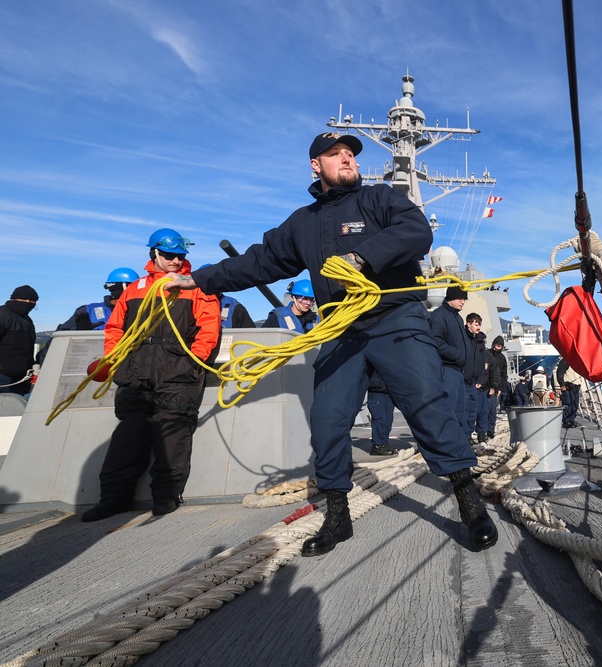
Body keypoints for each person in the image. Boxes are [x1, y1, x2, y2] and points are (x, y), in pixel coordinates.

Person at [163, 131, 497, 555]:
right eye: (335, 154)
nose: (347, 159)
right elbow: (260, 260)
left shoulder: (380, 199)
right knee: (328, 420)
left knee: (427, 405)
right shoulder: (303, 223)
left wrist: (361, 258)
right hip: (341, 327)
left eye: (350, 154)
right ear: (316, 166)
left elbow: (415, 232)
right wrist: (200, 278)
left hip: (395, 317)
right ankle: (338, 516)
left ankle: (470, 505)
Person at [81, 229, 221, 521]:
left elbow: (209, 328)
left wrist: (193, 361)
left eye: (180, 256)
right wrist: (115, 359)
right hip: (136, 373)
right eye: (169, 255)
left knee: (172, 433)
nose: (175, 261)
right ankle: (114, 498)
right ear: (154, 254)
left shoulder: (195, 287)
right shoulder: (135, 289)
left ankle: (166, 495)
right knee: (128, 436)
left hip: (178, 373)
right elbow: (115, 328)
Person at [428, 286, 470, 430]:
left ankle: (455, 445)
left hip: (458, 371)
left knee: (459, 412)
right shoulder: (439, 316)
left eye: (464, 299)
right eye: (460, 298)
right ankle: (444, 445)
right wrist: (457, 355)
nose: (463, 302)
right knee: (448, 411)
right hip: (446, 370)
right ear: (450, 298)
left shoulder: (458, 318)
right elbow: (436, 341)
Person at [57, 268, 139, 331]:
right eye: (136, 287)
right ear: (124, 287)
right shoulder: (88, 312)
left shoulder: (143, 311)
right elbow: (61, 336)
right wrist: (81, 332)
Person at [0, 285, 38, 396]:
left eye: (32, 301)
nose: (28, 302)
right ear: (13, 299)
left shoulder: (27, 320)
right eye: (24, 299)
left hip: (23, 377)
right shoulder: (3, 316)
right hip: (3, 376)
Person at [464, 312, 489, 444]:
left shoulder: (480, 341)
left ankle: (468, 435)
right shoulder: (463, 337)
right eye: (476, 324)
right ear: (469, 324)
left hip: (474, 382)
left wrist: (480, 379)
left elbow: (480, 363)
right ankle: (462, 436)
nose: (478, 327)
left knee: (473, 410)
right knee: (463, 409)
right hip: (462, 380)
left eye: (479, 324)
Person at [366, 366, 396, 456]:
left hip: (388, 390)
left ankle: (384, 443)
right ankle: (377, 445)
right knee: (379, 419)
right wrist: (377, 383)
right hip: (376, 391)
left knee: (388, 419)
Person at [485, 336, 508, 438]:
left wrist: (500, 388)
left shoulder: (502, 358)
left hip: (496, 387)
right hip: (485, 385)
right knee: (482, 410)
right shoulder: (487, 354)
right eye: (497, 344)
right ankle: (482, 431)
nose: (498, 346)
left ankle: (490, 430)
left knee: (492, 411)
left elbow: (504, 374)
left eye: (500, 345)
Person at [556, 357, 582, 428]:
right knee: (567, 404)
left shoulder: (578, 362)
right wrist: (562, 384)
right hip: (568, 386)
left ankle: (572, 420)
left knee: (575, 405)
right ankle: (566, 421)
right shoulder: (565, 361)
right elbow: (559, 373)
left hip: (576, 386)